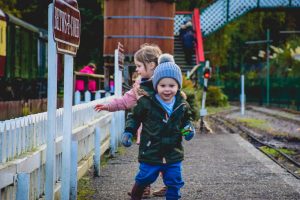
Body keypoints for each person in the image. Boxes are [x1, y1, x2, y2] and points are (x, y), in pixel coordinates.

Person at [94, 45, 172, 198]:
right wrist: (108, 106)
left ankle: (169, 185)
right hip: (148, 135)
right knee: (146, 162)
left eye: (138, 66)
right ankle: (144, 187)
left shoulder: (165, 83)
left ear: (151, 65)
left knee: (165, 162)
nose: (137, 70)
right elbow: (125, 101)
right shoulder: (139, 86)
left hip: (166, 133)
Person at [122, 59, 195, 200]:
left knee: (174, 182)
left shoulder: (182, 105)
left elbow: (185, 121)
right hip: (151, 152)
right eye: (162, 85)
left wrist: (188, 131)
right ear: (156, 86)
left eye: (172, 85)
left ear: (178, 86)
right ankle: (136, 196)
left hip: (173, 153)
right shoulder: (146, 102)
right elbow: (134, 117)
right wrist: (129, 132)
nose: (167, 89)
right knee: (144, 178)